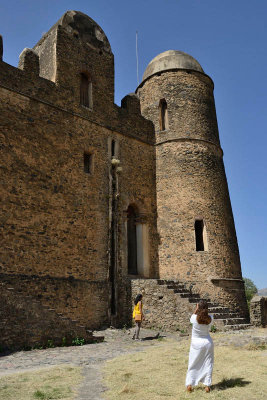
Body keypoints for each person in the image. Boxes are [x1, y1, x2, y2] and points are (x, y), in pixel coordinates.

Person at [185, 300, 214, 393]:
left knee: (193, 363)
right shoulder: (210, 318)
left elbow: (191, 318)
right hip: (208, 342)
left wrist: (196, 310)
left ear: (198, 307)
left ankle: (190, 384)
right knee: (208, 363)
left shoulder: (194, 318)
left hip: (196, 343)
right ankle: (207, 385)